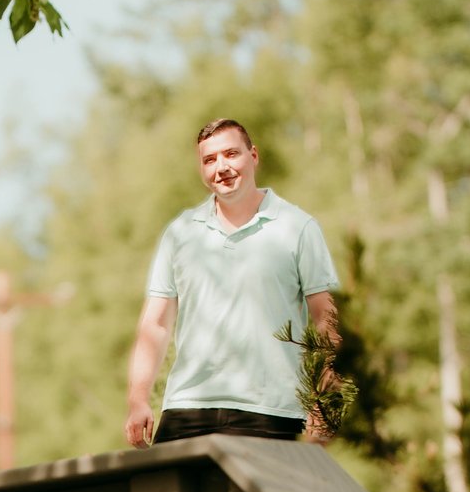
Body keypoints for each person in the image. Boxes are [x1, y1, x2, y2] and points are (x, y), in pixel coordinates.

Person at [124, 118, 342, 447]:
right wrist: (138, 399)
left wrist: (325, 396)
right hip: (187, 409)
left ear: (253, 156)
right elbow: (155, 325)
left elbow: (326, 318)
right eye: (210, 159)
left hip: (271, 411)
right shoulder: (180, 232)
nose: (221, 167)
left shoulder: (298, 227)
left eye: (231, 154)